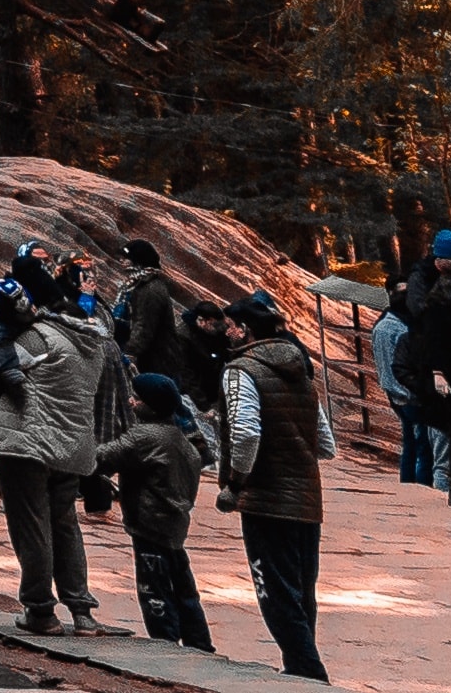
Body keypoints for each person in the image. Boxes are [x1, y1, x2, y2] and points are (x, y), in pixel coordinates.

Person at [0, 254, 120, 639]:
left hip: (27, 443)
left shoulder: (37, 336)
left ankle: (40, 610)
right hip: (73, 445)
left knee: (32, 526)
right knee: (65, 526)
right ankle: (82, 611)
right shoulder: (94, 343)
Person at [220, 291, 336, 682]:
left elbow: (246, 432)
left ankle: (309, 674)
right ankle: (300, 669)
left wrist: (236, 482)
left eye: (232, 327)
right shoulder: (299, 369)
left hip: (266, 499)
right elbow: (326, 442)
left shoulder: (242, 371)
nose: (228, 333)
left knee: (275, 591)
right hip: (307, 496)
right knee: (303, 591)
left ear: (247, 331)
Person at [109, 374, 217, 652]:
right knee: (183, 587)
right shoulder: (181, 441)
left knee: (154, 589)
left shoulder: (145, 437)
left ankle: (165, 645)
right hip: (174, 525)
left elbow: (106, 456)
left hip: (149, 524)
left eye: (137, 398)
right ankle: (199, 642)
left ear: (150, 406)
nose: (131, 402)